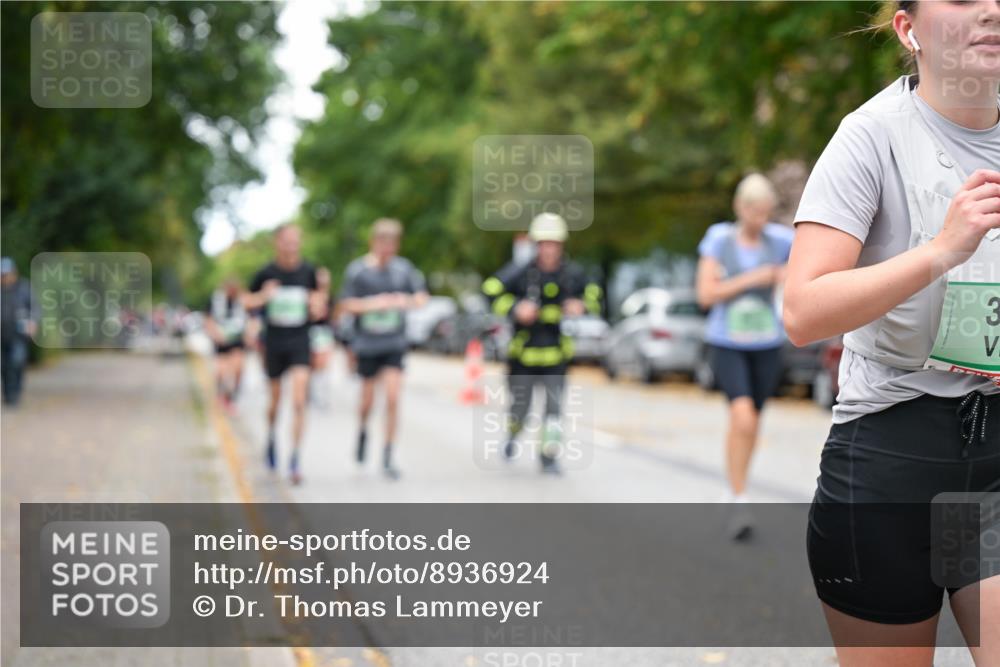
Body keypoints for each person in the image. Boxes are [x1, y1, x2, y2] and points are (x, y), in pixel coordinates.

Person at [783, 1, 999, 663]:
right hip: (889, 464)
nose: (991, 10)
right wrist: (939, 251)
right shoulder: (871, 135)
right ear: (909, 31)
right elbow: (802, 311)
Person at [694, 173, 793, 538]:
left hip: (766, 344)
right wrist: (754, 278)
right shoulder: (719, 240)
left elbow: (805, 268)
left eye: (766, 213)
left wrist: (784, 275)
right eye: (755, 212)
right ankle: (738, 497)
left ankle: (738, 484)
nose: (760, 220)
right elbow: (705, 294)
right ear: (740, 207)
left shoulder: (782, 240)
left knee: (751, 423)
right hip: (727, 342)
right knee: (743, 416)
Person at [482, 212, 602, 475]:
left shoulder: (572, 274)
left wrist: (581, 305)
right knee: (520, 410)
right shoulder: (522, 272)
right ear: (537, 245)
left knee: (554, 410)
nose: (549, 249)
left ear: (561, 246)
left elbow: (595, 296)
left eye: (554, 244)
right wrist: (515, 308)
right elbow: (490, 290)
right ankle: (512, 437)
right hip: (523, 357)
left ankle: (548, 458)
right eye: (544, 243)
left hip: (556, 357)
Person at [339, 218, 429, 480]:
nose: (387, 250)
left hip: (394, 344)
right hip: (367, 344)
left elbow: (422, 298)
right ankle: (363, 430)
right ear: (374, 242)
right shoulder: (358, 271)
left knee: (392, 397)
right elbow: (345, 304)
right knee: (367, 401)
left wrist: (405, 301)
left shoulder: (404, 270)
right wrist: (374, 305)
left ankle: (388, 454)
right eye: (383, 245)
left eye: (392, 245)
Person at [244, 224, 325, 485]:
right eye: (287, 241)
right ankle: (271, 435)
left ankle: (295, 457)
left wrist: (317, 305)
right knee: (275, 402)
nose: (292, 246)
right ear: (277, 242)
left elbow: (319, 308)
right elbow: (246, 301)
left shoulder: (309, 272)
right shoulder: (266, 273)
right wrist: (263, 296)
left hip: (300, 340)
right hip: (274, 342)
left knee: (300, 399)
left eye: (296, 241)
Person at [203, 277, 248, 413]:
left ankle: (231, 398)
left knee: (238, 370)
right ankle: (220, 395)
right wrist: (215, 334)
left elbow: (251, 317)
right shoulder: (215, 300)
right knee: (221, 373)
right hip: (221, 343)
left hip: (237, 342)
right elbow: (208, 319)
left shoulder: (243, 300)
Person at [1, 258, 34, 407]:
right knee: (4, 366)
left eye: (7, 274)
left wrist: (33, 321)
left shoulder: (24, 288)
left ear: (14, 273)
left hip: (18, 334)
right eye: (2, 275)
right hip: (2, 335)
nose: (5, 278)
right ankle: (8, 395)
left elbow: (35, 307)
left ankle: (15, 393)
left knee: (16, 362)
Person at [309, 268, 336, 408]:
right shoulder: (311, 295)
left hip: (325, 332)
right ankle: (311, 391)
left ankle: (321, 394)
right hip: (312, 331)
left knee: (324, 363)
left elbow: (333, 315)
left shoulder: (329, 296)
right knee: (313, 364)